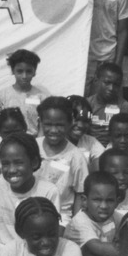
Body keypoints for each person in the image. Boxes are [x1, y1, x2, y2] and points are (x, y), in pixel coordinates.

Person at [0, 132, 61, 243]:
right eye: (5, 164)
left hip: (33, 249)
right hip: (2, 248)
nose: (11, 170)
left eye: (18, 163)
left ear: (34, 162)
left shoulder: (49, 191)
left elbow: (52, 232)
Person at [35, 96, 90, 225]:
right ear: (41, 122)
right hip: (30, 210)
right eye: (48, 124)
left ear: (70, 123)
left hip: (60, 216)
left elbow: (80, 194)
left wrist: (75, 224)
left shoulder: (76, 157)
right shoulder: (32, 147)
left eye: (59, 125)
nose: (54, 130)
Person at [64, 171, 122, 256]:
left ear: (117, 202)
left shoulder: (114, 216)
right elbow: (98, 247)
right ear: (84, 201)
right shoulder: (80, 221)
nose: (104, 206)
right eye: (97, 200)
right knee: (92, 254)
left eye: (110, 200)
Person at [0, 48, 51, 135]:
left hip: (34, 140)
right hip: (10, 140)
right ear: (13, 71)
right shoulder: (2, 95)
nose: (24, 76)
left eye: (28, 71)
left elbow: (43, 124)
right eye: (20, 71)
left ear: (34, 72)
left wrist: (39, 141)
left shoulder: (42, 97)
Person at [86, 62, 128, 147]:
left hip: (114, 147)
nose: (111, 88)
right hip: (91, 146)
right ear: (96, 80)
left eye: (116, 85)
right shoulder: (88, 103)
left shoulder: (123, 106)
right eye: (107, 83)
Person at [98, 147, 128, 217]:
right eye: (114, 173)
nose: (122, 177)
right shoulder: (95, 200)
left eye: (127, 172)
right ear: (102, 174)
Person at [66, 95, 106, 169]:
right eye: (76, 119)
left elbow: (102, 162)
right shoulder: (54, 142)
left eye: (85, 121)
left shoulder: (90, 142)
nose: (80, 125)